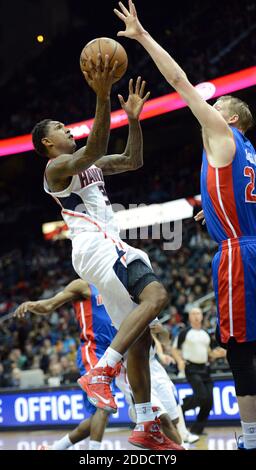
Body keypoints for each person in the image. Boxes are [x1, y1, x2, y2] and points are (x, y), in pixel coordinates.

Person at [113, 0, 256, 449]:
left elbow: (178, 81)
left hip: (239, 253)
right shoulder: (251, 155)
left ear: (229, 118)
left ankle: (250, 438)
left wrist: (142, 37)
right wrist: (214, 211)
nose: (209, 107)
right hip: (247, 238)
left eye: (218, 106)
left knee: (241, 350)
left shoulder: (223, 133)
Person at [32, 51, 172, 450]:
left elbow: (132, 159)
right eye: (60, 128)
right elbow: (92, 150)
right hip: (97, 246)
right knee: (157, 295)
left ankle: (145, 424)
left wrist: (132, 120)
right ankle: (102, 371)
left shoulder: (87, 164)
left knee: (140, 337)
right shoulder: (55, 170)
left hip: (103, 248)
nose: (67, 129)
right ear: (48, 142)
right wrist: (103, 94)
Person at [14, 280, 184, 451]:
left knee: (103, 413)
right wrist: (31, 305)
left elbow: (152, 329)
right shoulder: (83, 285)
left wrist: (160, 340)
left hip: (118, 353)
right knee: (102, 409)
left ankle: (56, 447)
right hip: (94, 349)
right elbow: (49, 304)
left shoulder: (118, 287)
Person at [172, 308, 225, 435]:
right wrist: (179, 361)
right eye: (193, 314)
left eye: (198, 313)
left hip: (205, 368)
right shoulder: (184, 333)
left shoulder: (206, 333)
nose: (196, 316)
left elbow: (210, 353)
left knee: (209, 401)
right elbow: (175, 350)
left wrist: (220, 354)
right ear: (189, 317)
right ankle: (183, 407)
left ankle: (197, 430)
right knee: (202, 396)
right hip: (191, 368)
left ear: (202, 316)